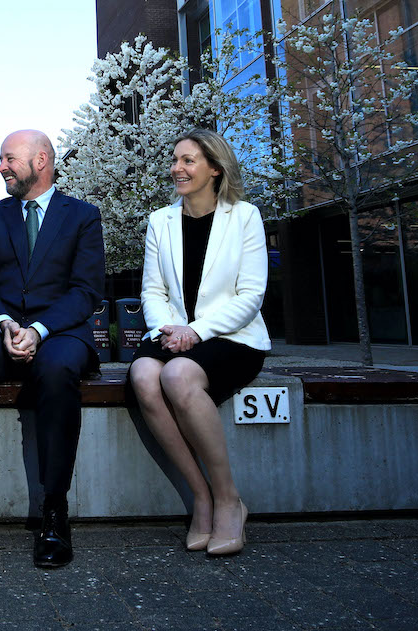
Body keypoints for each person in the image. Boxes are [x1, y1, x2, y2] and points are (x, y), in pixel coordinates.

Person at [0, 129, 105, 569]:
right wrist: (7, 322)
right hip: (1, 329)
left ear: (42, 160)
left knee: (56, 370)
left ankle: (55, 513)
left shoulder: (83, 216)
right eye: (1, 159)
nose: (1, 167)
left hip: (63, 332)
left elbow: (87, 291)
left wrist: (41, 329)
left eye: (9, 158)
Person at [129, 128, 271, 557]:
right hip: (172, 331)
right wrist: (168, 330)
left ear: (214, 168)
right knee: (143, 373)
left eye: (189, 160)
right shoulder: (160, 221)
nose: (178, 168)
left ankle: (229, 499)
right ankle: (201, 498)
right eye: (175, 160)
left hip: (232, 336)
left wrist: (198, 332)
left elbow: (251, 295)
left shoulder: (245, 216)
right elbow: (153, 292)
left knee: (178, 375)